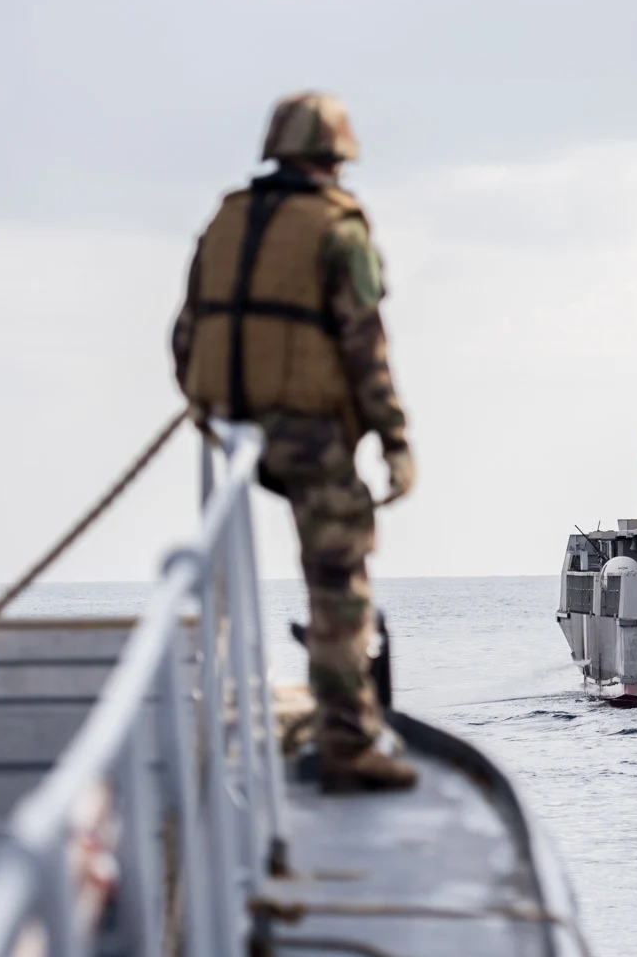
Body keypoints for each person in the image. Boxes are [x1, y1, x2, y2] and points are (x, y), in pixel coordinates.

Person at [172, 92, 416, 793]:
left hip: (232, 429)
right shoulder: (339, 229)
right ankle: (347, 743)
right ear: (336, 158)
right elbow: (365, 344)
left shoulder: (225, 220)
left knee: (255, 553)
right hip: (307, 434)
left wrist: (206, 404)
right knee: (341, 579)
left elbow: (186, 333)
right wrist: (395, 441)